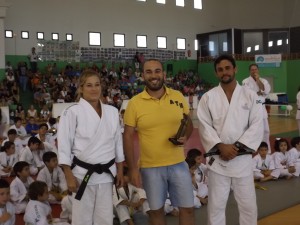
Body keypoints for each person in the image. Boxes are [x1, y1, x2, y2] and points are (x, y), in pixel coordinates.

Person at [123, 59, 195, 225]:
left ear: (163, 74)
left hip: (178, 164)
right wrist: (133, 168)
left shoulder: (177, 96)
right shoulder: (134, 103)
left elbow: (188, 122)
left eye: (157, 71)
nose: (153, 75)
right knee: (156, 212)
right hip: (150, 168)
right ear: (143, 75)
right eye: (149, 72)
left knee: (188, 209)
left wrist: (186, 136)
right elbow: (127, 136)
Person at [197, 55, 263, 225]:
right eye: (220, 69)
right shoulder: (208, 97)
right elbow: (204, 126)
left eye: (227, 68)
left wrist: (235, 148)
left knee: (248, 206)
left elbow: (257, 125)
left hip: (242, 160)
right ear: (216, 73)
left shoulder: (250, 95)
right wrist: (220, 146)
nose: (224, 72)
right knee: (216, 207)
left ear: (235, 69)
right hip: (219, 160)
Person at [57, 69, 124, 225]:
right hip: (81, 174)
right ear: (81, 88)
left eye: (97, 85)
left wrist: (120, 170)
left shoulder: (112, 112)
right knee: (82, 219)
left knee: (105, 218)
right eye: (89, 85)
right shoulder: (72, 112)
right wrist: (68, 175)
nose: (94, 89)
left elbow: (117, 143)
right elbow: (64, 146)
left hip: (107, 174)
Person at [242, 64, 271, 152]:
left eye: (255, 69)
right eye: (252, 70)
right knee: (251, 130)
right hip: (251, 108)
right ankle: (251, 148)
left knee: (266, 130)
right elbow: (248, 94)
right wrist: (259, 93)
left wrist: (258, 80)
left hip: (261, 107)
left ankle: (266, 149)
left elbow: (265, 91)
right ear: (249, 71)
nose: (254, 71)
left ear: (258, 70)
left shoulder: (263, 81)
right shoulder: (245, 81)